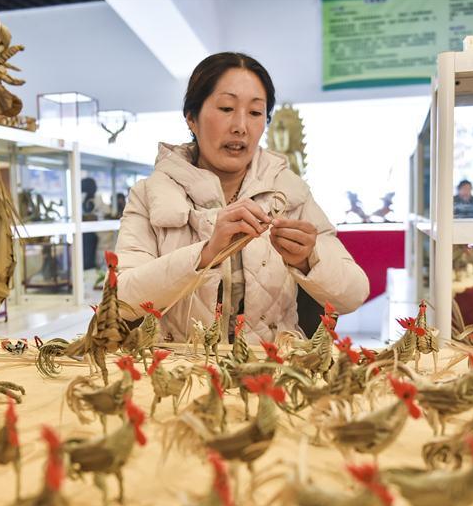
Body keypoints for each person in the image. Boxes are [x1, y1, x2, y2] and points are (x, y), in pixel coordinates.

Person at [115, 52, 369, 343]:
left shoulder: (291, 194)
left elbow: (353, 294)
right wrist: (206, 253)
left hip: (270, 367)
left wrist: (308, 260)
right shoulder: (150, 195)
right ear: (191, 119)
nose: (240, 126)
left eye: (255, 113)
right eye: (226, 108)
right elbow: (122, 298)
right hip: (181, 368)